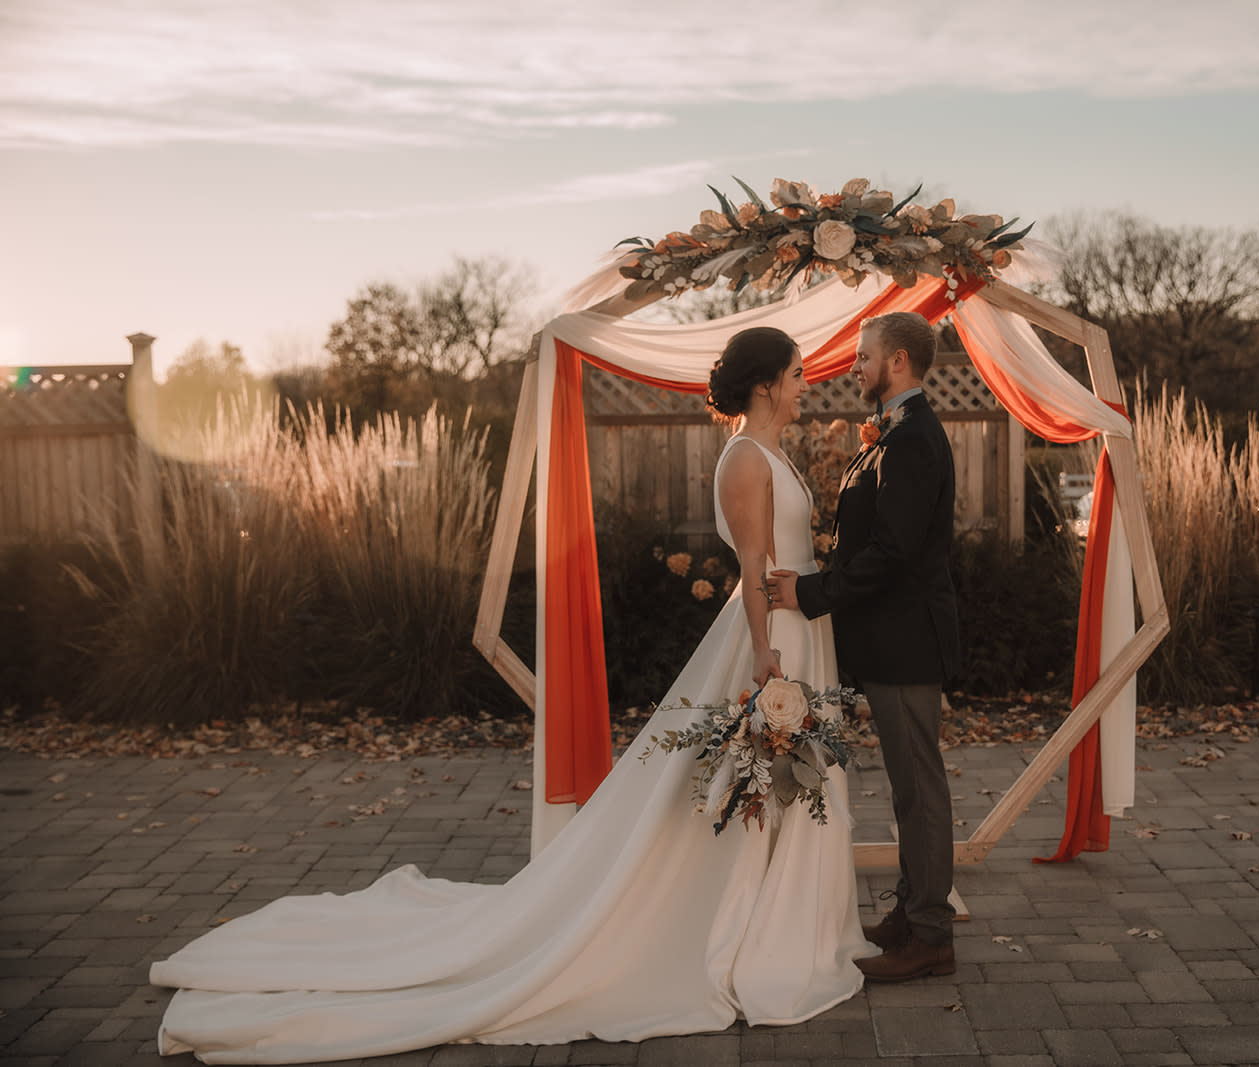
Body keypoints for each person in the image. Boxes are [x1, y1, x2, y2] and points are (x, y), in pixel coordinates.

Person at [149, 326, 871, 1063]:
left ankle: (789, 923)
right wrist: (763, 654)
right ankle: (755, 930)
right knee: (750, 784)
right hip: (769, 638)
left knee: (778, 782)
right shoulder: (745, 458)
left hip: (799, 625)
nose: (804, 382)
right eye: (795, 372)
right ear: (763, 384)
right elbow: (753, 564)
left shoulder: (773, 451)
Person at [768, 311, 961, 982]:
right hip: (889, 641)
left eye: (863, 356)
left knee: (919, 790)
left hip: (907, 643)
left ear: (899, 362)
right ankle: (911, 913)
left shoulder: (912, 442)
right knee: (909, 789)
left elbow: (893, 554)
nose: (853, 366)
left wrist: (811, 593)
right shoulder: (896, 434)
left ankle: (932, 934)